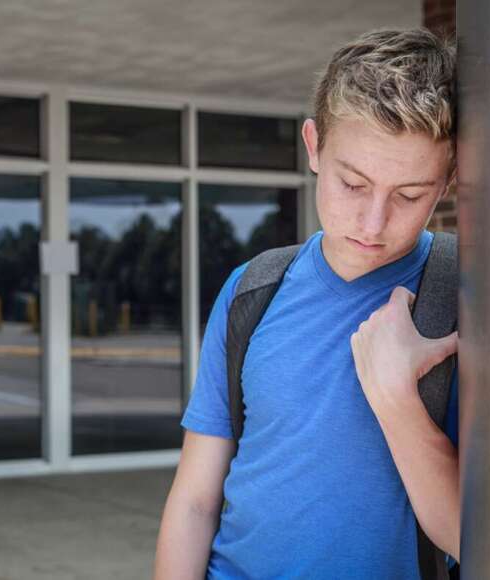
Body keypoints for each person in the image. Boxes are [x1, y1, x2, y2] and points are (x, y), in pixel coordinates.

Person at [154, 28, 459, 579]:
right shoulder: (254, 288)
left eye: (409, 195)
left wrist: (396, 398)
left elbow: (472, 533)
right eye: (353, 184)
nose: (373, 223)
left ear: (448, 182)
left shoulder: (469, 299)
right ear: (314, 146)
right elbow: (197, 499)